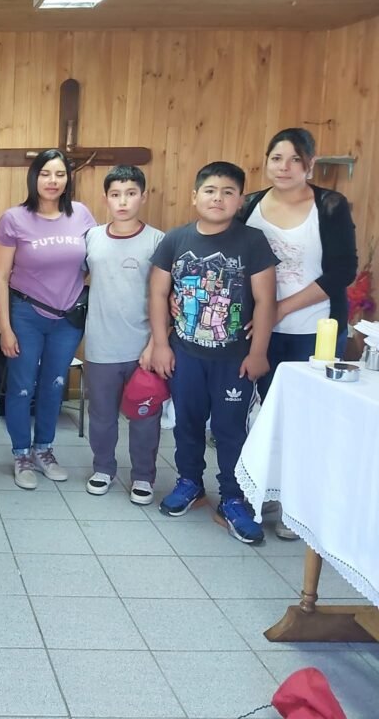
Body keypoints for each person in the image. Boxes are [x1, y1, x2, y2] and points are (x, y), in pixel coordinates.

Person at [148, 162, 278, 545]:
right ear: (194, 196)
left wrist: (258, 351)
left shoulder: (252, 241)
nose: (217, 198)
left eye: (227, 192)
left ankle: (233, 498)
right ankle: (189, 482)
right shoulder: (175, 239)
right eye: (209, 190)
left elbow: (266, 300)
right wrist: (160, 344)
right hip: (186, 354)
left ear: (240, 200)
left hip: (233, 360)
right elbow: (158, 293)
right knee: (186, 423)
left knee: (230, 430)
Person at [240, 128, 357, 540]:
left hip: (313, 328)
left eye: (294, 159)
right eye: (276, 158)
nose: (284, 167)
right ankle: (266, 490)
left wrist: (280, 308)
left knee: (307, 418)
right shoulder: (250, 204)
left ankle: (299, 506)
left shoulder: (329, 205)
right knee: (267, 414)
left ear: (310, 163)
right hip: (261, 331)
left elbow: (343, 270)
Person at [0, 149, 96, 490]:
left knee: (55, 384)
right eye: (46, 173)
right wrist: (5, 328)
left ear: (68, 179)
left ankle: (44, 449)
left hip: (67, 318)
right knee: (22, 386)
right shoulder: (14, 219)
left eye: (60, 174)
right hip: (26, 314)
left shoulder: (82, 215)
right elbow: (0, 276)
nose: (53, 181)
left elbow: (95, 261)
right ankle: (21, 453)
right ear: (34, 177)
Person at [84, 166, 165, 505]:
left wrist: (155, 344)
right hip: (100, 345)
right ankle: (103, 467)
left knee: (144, 416)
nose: (123, 201)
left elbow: (167, 297)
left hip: (142, 348)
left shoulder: (158, 240)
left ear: (143, 196)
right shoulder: (92, 237)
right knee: (101, 415)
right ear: (105, 198)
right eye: (115, 194)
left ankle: (143, 476)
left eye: (131, 194)